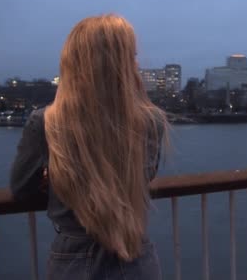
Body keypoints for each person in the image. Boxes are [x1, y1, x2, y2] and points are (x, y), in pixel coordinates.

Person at [10, 14, 168, 279]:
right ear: (120, 64)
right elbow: (144, 176)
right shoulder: (151, 121)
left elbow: (22, 189)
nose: (136, 64)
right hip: (136, 256)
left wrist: (57, 178)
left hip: (73, 259)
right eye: (131, 56)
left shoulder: (47, 122)